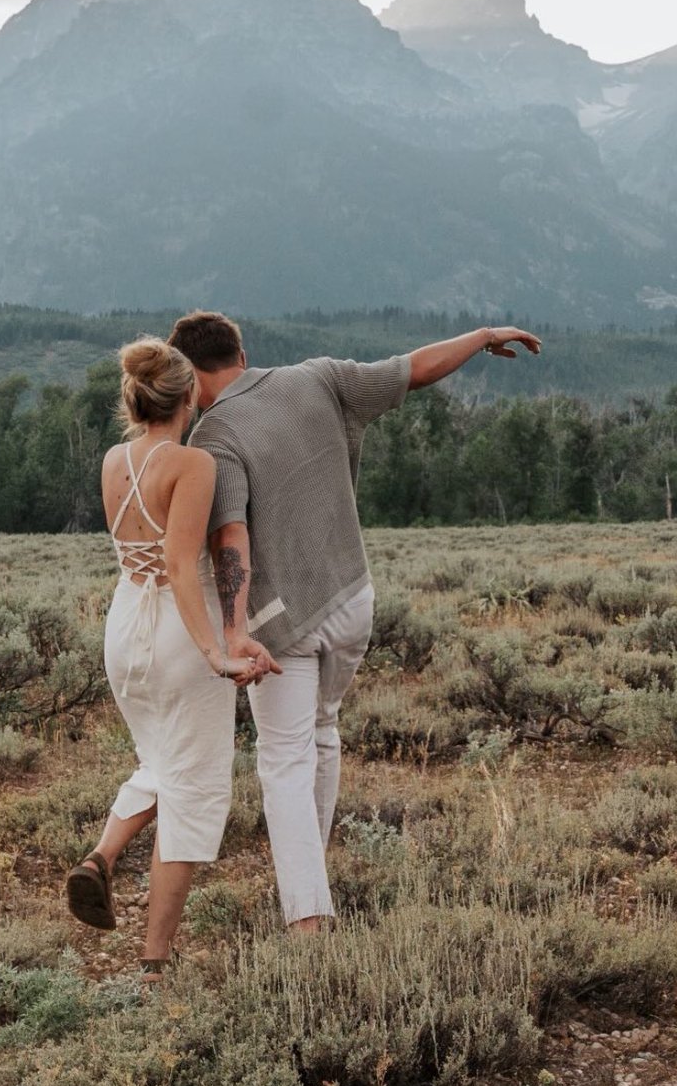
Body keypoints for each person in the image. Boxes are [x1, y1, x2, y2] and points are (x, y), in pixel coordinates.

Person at [168, 312, 541, 930]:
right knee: (321, 731)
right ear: (242, 351)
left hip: (284, 620)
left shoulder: (214, 436)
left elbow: (230, 535)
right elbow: (412, 370)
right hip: (353, 595)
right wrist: (480, 337)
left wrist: (234, 631)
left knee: (283, 759)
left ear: (189, 373)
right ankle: (312, 883)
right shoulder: (318, 378)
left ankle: (308, 922)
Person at [64, 337, 275, 981]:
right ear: (189, 396)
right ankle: (155, 961)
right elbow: (183, 567)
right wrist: (216, 652)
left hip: (125, 626)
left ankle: (102, 856)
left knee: (158, 762)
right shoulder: (193, 464)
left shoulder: (112, 460)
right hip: (181, 635)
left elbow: (150, 561)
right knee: (192, 785)